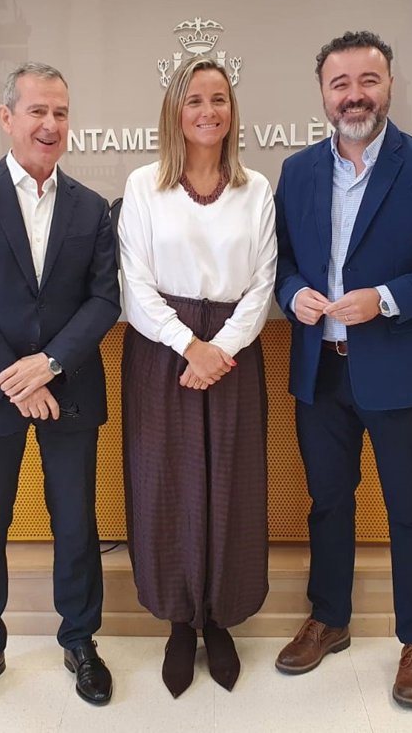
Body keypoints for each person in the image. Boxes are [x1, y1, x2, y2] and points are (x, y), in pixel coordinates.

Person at [273, 31, 412, 708]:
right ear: (323, 94)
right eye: (341, 84)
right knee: (328, 503)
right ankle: (329, 618)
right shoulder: (298, 171)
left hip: (399, 369)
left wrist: (385, 299)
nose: (355, 95)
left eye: (368, 80)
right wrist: (292, 293)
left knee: (411, 509)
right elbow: (280, 260)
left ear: (389, 85)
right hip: (321, 372)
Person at [0, 62, 121, 716]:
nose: (50, 124)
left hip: (68, 387)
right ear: (7, 116)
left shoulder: (92, 208)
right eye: (37, 111)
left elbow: (104, 300)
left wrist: (50, 363)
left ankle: (81, 641)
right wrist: (16, 379)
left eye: (60, 113)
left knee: (76, 521)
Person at [117, 55, 277, 697]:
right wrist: (190, 345)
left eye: (219, 99)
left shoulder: (255, 189)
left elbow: (263, 283)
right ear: (174, 111)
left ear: (232, 111)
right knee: (167, 486)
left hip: (233, 353)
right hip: (163, 351)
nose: (208, 111)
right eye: (194, 100)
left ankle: (220, 618)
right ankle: (180, 622)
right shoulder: (142, 186)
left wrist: (219, 350)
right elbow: (134, 283)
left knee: (231, 485)